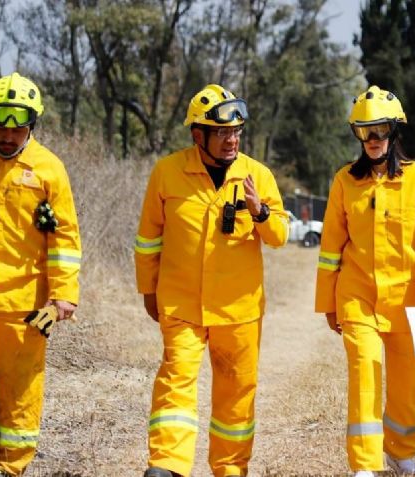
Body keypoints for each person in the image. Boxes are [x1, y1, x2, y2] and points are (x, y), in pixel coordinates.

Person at [135, 84, 289, 477]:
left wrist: (260, 212)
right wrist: (148, 290)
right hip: (181, 305)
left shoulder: (257, 175)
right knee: (176, 380)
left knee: (236, 397)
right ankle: (166, 466)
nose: (231, 140)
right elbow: (148, 238)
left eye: (236, 132)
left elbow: (280, 237)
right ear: (197, 134)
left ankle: (230, 468)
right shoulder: (167, 173)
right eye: (221, 133)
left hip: (238, 311)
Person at [315, 85, 415, 477]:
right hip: (359, 298)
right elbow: (330, 248)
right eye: (363, 132)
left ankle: (401, 450)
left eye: (379, 131)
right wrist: (329, 302)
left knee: (413, 380)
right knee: (365, 369)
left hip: (414, 302)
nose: (372, 140)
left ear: (394, 131)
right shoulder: (345, 182)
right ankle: (365, 463)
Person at [0, 72, 81, 477]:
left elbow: (64, 237)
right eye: (1, 127)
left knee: (22, 383)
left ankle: (6, 467)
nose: (8, 137)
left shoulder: (50, 169)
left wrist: (62, 296)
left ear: (32, 125)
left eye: (19, 128)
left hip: (27, 295)